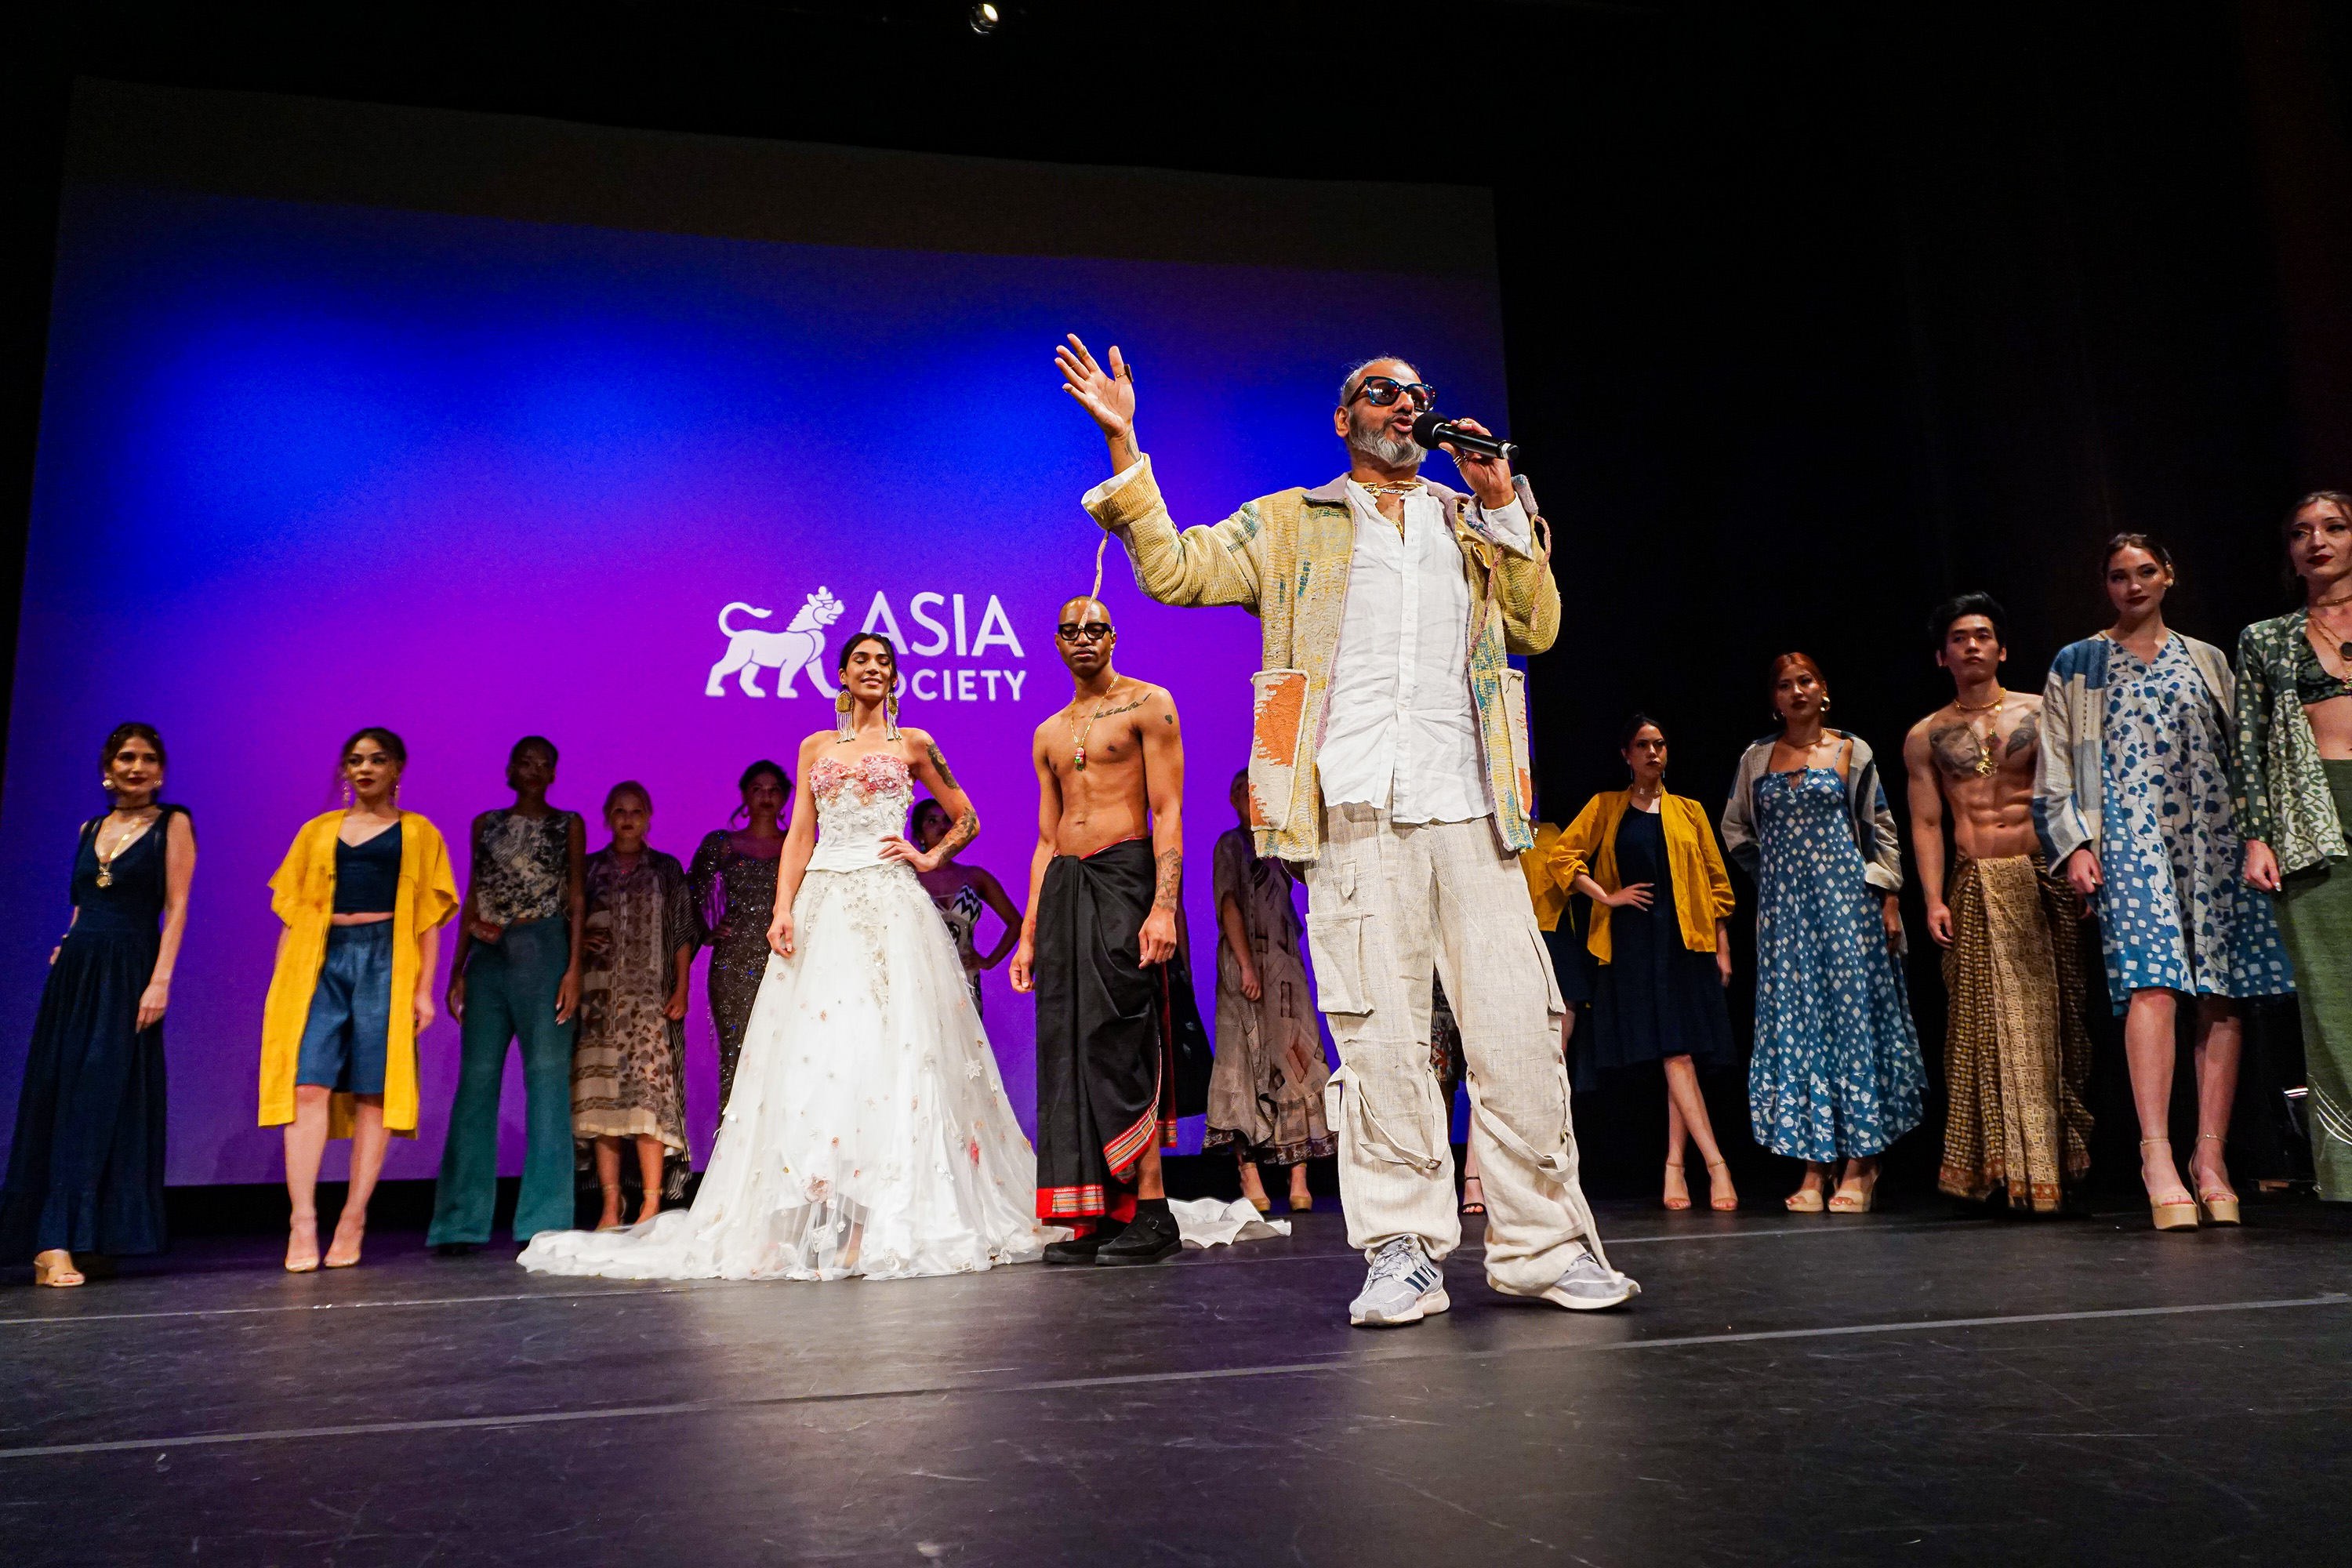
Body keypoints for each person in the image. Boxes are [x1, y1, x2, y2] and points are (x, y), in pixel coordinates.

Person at [1058, 336, 1635, 1323]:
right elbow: (1175, 570)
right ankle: (1402, 1249)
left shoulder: (1476, 522)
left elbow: (1538, 627)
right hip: (1352, 806)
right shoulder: (1293, 522)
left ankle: (1544, 1244)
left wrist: (1503, 501)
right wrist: (1125, 445)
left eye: (1419, 394)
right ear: (1344, 416)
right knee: (1380, 1038)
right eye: (1382, 391)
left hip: (1475, 807)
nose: (1407, 406)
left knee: (1519, 1033)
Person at [521, 633, 1054, 1279]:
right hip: (824, 900)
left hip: (889, 904)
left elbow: (966, 815)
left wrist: (928, 857)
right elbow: (801, 831)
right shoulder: (814, 748)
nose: (875, 669)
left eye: (885, 662)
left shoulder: (912, 743)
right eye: (863, 660)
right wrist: (782, 908)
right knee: (820, 1054)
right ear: (841, 673)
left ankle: (881, 1214)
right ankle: (817, 1211)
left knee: (892, 1050)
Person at [2037, 535, 2292, 1229]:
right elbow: (2056, 766)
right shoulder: (2079, 662)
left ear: (2169, 576)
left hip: (2213, 833)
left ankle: (2210, 1157)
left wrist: (2258, 834)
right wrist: (2074, 847)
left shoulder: (2207, 659)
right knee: (2152, 983)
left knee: (2221, 988)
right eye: (2118, 575)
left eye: (2145, 571)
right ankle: (2157, 1155)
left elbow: (2246, 755)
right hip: (2128, 832)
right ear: (2106, 586)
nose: (2133, 585)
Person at [1008, 591, 1199, 1267]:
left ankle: (1152, 1210)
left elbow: (1168, 809)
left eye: (1095, 629)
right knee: (1068, 1045)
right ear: (1057, 644)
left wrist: (1164, 907)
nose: (1083, 639)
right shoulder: (1050, 732)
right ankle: (1093, 1211)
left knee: (1120, 1040)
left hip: (1126, 877)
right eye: (1070, 631)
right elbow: (1042, 837)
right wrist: (1029, 933)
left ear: (1113, 637)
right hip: (1065, 886)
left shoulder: (1151, 704)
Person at [1903, 593, 2095, 1214]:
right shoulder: (1926, 735)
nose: (1973, 645)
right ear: (1943, 655)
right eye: (1960, 638)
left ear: (2003, 648)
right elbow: (1927, 823)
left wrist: (2080, 866)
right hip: (1975, 883)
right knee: (1980, 1031)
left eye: (1984, 635)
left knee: (2054, 1020)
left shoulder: (2042, 713)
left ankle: (2052, 1164)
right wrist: (1931, 897)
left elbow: (2072, 797)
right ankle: (2003, 1169)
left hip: (2042, 876)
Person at [1724, 654, 1924, 1214]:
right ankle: (1815, 1165)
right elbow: (1736, 827)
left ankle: (1862, 1163)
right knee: (1801, 1028)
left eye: (1805, 681)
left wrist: (1886, 898)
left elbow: (1881, 827)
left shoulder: (1849, 751)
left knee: (1851, 1023)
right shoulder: (1757, 758)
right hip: (1786, 920)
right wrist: (1776, 878)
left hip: (1847, 909)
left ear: (1823, 690)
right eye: (1785, 685)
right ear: (1774, 698)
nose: (1796, 691)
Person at [2, 724, 194, 1286]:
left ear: (161, 770)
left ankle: (79, 1236)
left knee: (102, 1096)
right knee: (59, 1094)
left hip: (131, 970)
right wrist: (66, 942)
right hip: (78, 972)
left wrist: (161, 980)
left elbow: (177, 909)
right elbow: (84, 902)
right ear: (108, 767)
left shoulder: (173, 824)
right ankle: (53, 1241)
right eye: (127, 757)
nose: (137, 767)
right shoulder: (90, 828)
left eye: (149, 759)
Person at [260, 728, 459, 1271]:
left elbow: (428, 921)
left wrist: (423, 991)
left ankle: (353, 1217)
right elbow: (292, 912)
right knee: (307, 1085)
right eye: (354, 760)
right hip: (320, 960)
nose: (364, 768)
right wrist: (285, 983)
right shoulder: (317, 831)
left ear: (398, 767)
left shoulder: (418, 832)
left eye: (376, 760)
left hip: (384, 962)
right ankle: (302, 1221)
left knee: (373, 1092)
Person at [1550, 715, 1740, 1212]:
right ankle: (1712, 1165)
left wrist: (1722, 947)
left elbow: (1718, 884)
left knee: (1679, 1054)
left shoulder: (1689, 811)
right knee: (1674, 1055)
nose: (1653, 752)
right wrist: (1605, 897)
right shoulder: (1607, 807)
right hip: (1633, 947)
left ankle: (1679, 1166)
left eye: (1659, 744)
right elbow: (1562, 857)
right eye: (1642, 745)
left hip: (1685, 943)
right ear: (1626, 755)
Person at [430, 737, 586, 1252]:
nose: (535, 770)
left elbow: (579, 898)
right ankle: (458, 1223)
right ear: (510, 770)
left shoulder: (568, 824)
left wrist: (573, 969)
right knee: (475, 1085)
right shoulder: (485, 824)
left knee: (545, 1084)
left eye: (545, 764)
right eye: (526, 761)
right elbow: (473, 892)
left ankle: (544, 1220)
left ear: (554, 773)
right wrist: (456, 970)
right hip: (489, 953)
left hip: (544, 946)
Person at [2241, 492, 2352, 1202]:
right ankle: (2347, 1171)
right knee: (2334, 993)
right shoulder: (2269, 638)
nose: (2317, 541)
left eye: (2335, 528)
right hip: (2314, 819)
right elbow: (2246, 747)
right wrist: (2257, 835)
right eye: (2301, 533)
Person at [1205, 768, 1331, 1214]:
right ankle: (1249, 1174)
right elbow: (1229, 905)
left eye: (1252, 788)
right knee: (1241, 1059)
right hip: (1247, 963)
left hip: (1284, 966)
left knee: (1298, 1058)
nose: (1246, 794)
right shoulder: (1229, 844)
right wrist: (1245, 965)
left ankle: (1299, 1173)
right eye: (1238, 788)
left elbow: (1305, 879)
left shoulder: (1276, 845)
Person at [572, 782, 695, 1232]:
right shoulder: (588, 869)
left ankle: (650, 1202)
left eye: (637, 811)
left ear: (648, 817)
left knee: (648, 1105)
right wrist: (580, 938)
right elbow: (569, 925)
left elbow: (683, 933)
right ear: (607, 816)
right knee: (602, 1106)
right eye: (619, 811)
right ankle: (610, 1204)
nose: (628, 819)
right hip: (598, 1002)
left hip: (648, 1006)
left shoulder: (665, 869)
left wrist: (681, 989)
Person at [686, 760, 791, 1113]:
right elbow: (688, 895)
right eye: (758, 789)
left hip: (787, 958)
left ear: (786, 796)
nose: (766, 796)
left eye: (774, 789)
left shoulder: (799, 844)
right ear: (745, 795)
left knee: (787, 1054)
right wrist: (706, 931)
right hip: (735, 962)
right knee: (737, 1052)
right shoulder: (722, 844)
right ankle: (733, 1152)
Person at [910, 797, 1022, 1018]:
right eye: (932, 821)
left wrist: (989, 961)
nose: (942, 826)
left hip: (965, 980)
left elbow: (1016, 922)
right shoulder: (907, 877)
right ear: (919, 835)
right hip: (918, 978)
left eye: (947, 821)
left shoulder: (974, 877)